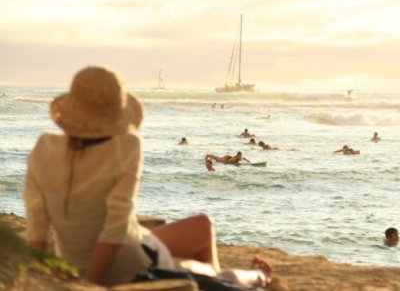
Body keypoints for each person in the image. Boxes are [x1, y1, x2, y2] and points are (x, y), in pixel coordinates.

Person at [23, 65, 272, 288]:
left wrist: (43, 273)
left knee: (203, 225)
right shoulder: (126, 145)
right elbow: (115, 227)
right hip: (130, 265)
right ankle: (257, 276)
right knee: (212, 272)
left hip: (118, 248)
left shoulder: (44, 147)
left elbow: (37, 226)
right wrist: (90, 284)